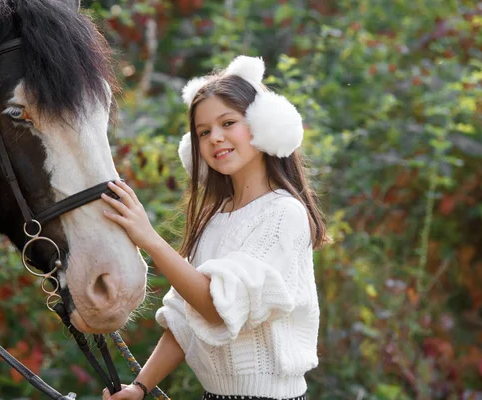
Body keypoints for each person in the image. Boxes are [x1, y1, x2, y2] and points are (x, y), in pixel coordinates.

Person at [99, 55, 328, 400]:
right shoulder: (215, 217)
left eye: (228, 123)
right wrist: (140, 387)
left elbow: (215, 308)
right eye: (204, 132)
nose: (215, 138)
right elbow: (186, 319)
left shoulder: (284, 214)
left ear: (262, 125)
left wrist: (149, 239)